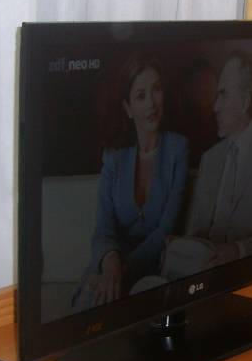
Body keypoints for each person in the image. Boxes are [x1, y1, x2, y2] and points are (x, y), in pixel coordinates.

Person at [80, 53, 188, 305]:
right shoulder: (114, 158)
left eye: (157, 90)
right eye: (141, 96)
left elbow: (166, 229)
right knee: (91, 301)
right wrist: (110, 264)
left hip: (153, 268)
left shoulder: (178, 148)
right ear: (128, 108)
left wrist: (123, 270)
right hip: (110, 268)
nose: (152, 103)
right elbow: (103, 229)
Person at [185, 51, 252, 266]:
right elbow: (195, 231)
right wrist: (181, 247)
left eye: (223, 94)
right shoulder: (209, 158)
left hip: (244, 268)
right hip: (201, 269)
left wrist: (237, 251)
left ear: (245, 101)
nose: (215, 107)